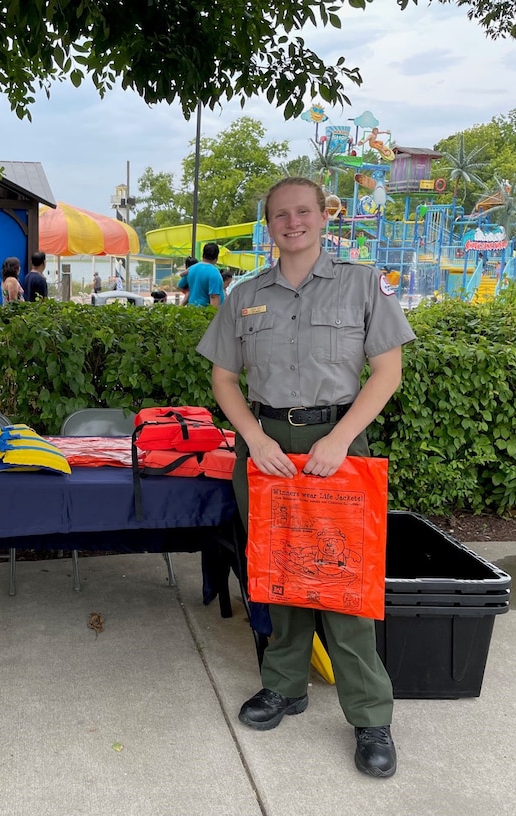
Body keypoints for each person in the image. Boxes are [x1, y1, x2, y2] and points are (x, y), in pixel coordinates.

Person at [196, 177, 415, 779]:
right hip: (266, 451)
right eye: (279, 215)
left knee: (344, 585)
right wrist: (256, 440)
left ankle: (371, 716)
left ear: (323, 217)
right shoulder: (243, 295)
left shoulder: (360, 284)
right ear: (269, 225)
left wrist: (340, 439)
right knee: (276, 575)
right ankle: (284, 686)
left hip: (339, 447)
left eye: (302, 212)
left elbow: (386, 372)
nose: (292, 222)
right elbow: (223, 381)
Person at [179, 243, 224, 307]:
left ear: (203, 255)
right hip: (205, 313)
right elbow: (213, 296)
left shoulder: (191, 269)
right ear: (216, 257)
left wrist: (189, 293)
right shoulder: (214, 273)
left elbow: (180, 286)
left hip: (192, 309)